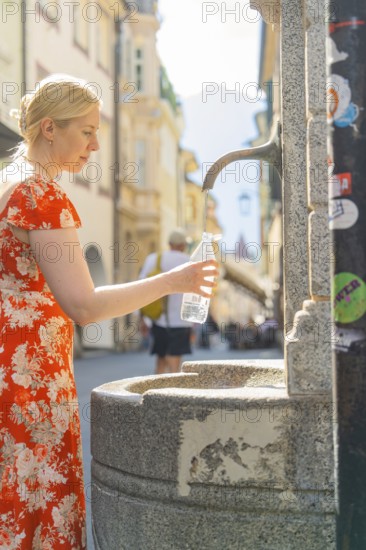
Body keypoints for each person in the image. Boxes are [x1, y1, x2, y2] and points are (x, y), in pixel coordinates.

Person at [0, 74, 218, 549]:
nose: (96, 145)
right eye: (87, 131)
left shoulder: (7, 183)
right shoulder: (41, 196)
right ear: (50, 128)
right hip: (32, 378)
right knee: (39, 495)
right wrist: (174, 281)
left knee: (14, 492)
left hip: (11, 366)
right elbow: (84, 305)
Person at [139, 229, 193, 375]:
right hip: (181, 321)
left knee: (161, 360)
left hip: (158, 318)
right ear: (183, 245)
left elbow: (140, 288)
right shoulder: (189, 261)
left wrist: (142, 318)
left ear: (169, 244)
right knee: (175, 361)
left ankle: (157, 392)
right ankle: (172, 393)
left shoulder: (155, 258)